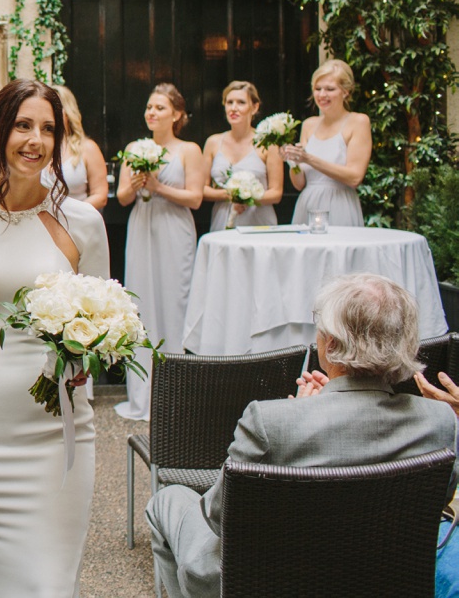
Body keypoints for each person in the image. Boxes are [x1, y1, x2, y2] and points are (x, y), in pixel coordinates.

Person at [147, 274, 458, 598]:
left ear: (332, 345)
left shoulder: (270, 422)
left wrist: (300, 417)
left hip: (262, 582)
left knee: (166, 501)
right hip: (380, 578)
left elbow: (216, 516)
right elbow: (440, 500)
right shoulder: (439, 421)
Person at [0, 79, 109, 596]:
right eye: (23, 125)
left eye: (49, 129)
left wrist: (87, 371)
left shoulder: (83, 224)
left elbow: (101, 322)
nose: (35, 140)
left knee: (50, 582)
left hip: (58, 427)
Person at [115, 83, 205, 422]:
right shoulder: (134, 148)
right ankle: (143, 395)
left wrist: (159, 187)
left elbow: (195, 198)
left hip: (174, 228)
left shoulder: (188, 150)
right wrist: (136, 185)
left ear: (177, 114)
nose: (151, 113)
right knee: (142, 306)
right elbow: (123, 197)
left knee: (175, 303)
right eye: (149, 107)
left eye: (160, 108)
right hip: (142, 227)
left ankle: (177, 394)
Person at [282, 59, 371, 227]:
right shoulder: (309, 125)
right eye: (318, 89)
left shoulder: (358, 122)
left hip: (339, 204)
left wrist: (309, 159)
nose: (322, 95)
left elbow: (354, 177)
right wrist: (293, 160)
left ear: (345, 92)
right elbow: (299, 183)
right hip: (307, 205)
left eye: (330, 89)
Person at [202, 81, 282, 231]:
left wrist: (249, 198)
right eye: (229, 102)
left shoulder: (268, 144)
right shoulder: (213, 142)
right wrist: (231, 195)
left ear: (254, 107)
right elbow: (203, 189)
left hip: (258, 220)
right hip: (223, 217)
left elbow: (276, 193)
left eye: (241, 103)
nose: (234, 108)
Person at [48, 86, 109, 210]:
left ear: (68, 112)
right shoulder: (37, 147)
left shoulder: (88, 148)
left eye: (55, 108)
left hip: (77, 222)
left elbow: (100, 195)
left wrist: (68, 213)